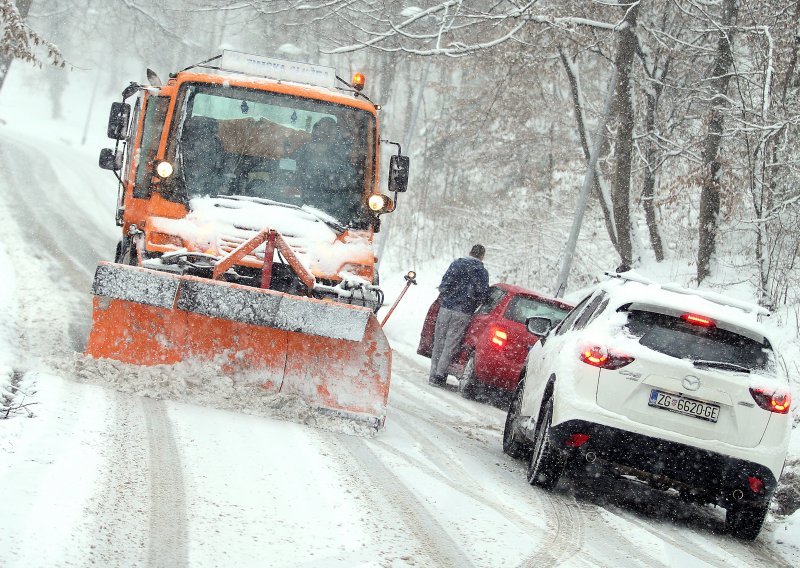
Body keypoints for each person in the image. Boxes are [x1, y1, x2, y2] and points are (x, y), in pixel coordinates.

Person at [429, 244, 490, 386]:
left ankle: (433, 373)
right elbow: (482, 294)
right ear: (482, 256)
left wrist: (447, 297)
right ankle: (440, 375)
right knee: (450, 344)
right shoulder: (481, 272)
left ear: (470, 252)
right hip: (463, 312)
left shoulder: (456, 264)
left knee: (439, 341)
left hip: (446, 308)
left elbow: (444, 284)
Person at [292, 117, 358, 219]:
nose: (325, 134)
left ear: (335, 134)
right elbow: (293, 172)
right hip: (298, 206)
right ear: (315, 131)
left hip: (330, 213)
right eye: (322, 130)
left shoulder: (341, 156)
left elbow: (348, 181)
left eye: (330, 130)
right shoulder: (303, 151)